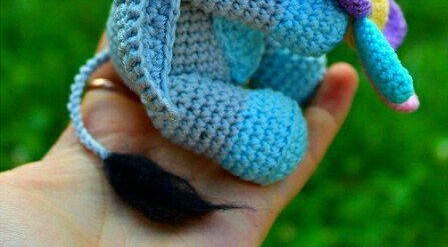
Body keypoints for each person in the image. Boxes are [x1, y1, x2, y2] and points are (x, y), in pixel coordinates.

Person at [0, 34, 358, 246]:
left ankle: (269, 69)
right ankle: (240, 123)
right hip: (175, 79)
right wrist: (282, 7)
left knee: (287, 61)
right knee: (262, 133)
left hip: (234, 40)